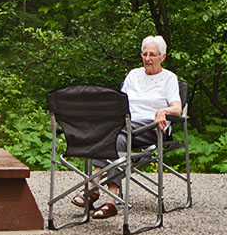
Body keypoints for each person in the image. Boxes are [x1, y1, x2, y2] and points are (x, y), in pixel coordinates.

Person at [72, 35, 182, 219]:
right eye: (144, 54)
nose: (147, 58)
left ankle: (91, 188)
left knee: (114, 134)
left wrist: (163, 111)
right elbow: (119, 103)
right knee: (118, 138)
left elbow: (177, 108)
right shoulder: (133, 74)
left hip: (151, 128)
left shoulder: (169, 78)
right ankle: (111, 201)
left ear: (163, 57)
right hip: (125, 126)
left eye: (152, 55)